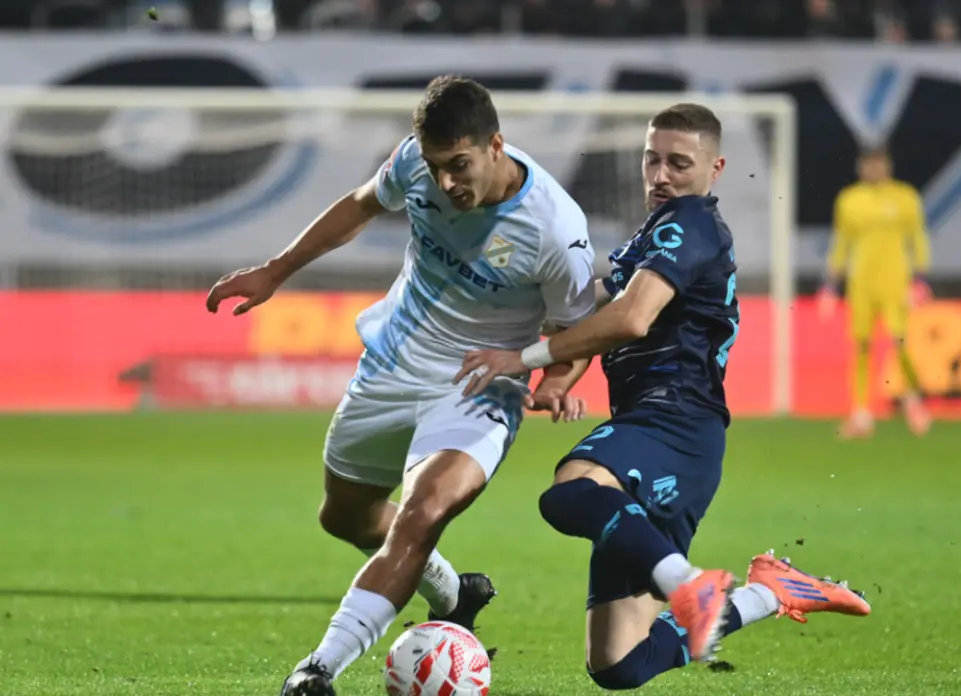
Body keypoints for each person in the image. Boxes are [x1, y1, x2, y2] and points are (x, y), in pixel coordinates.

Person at [456, 103, 871, 689]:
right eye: (652, 159)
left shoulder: (690, 224)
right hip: (679, 440)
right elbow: (591, 311)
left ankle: (687, 584)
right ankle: (769, 592)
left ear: (715, 168)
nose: (661, 175)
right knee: (618, 664)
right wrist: (558, 377)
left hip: (671, 422)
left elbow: (631, 318)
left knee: (570, 492)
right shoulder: (655, 236)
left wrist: (523, 359)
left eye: (679, 163)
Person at [205, 75, 596, 696]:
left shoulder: (555, 229)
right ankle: (453, 593)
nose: (446, 182)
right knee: (346, 518)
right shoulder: (415, 160)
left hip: (479, 384)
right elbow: (361, 205)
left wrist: (554, 378)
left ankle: (318, 669)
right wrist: (275, 271)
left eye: (459, 165)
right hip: (393, 363)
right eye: (437, 166)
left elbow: (578, 332)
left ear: (496, 146)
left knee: (422, 512)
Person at [819, 145, 933, 439]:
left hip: (895, 282)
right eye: (868, 165)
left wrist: (920, 278)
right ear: (860, 168)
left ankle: (914, 401)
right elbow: (842, 242)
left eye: (878, 164)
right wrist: (831, 285)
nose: (873, 170)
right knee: (861, 346)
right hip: (861, 284)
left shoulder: (905, 197)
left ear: (888, 166)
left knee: (901, 342)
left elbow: (917, 237)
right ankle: (861, 414)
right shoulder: (849, 200)